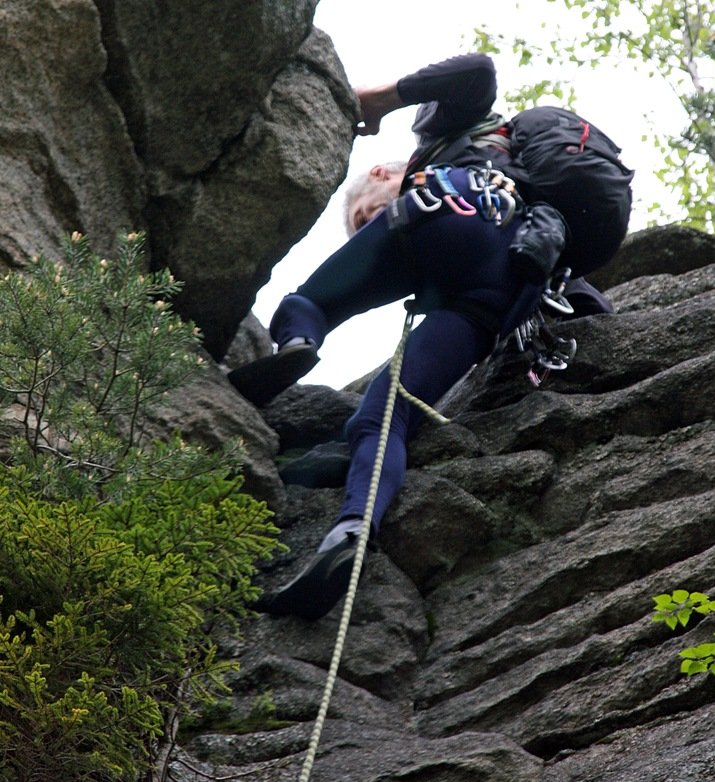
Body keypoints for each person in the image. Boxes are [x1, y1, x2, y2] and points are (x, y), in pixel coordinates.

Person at [228, 54, 629, 620]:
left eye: (363, 218)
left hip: (448, 208)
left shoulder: (444, 141)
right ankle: (350, 532)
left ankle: (298, 344)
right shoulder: (539, 210)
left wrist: (379, 99)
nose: (365, 229)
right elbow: (591, 307)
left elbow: (479, 72)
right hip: (505, 284)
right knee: (383, 417)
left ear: (381, 175)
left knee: (309, 302)